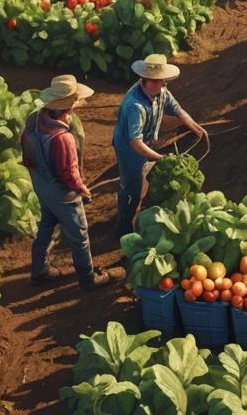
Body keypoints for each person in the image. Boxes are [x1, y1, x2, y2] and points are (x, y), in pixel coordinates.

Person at [21, 74, 121, 289]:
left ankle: (39, 270)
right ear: (69, 105)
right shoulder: (62, 138)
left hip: (41, 184)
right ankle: (88, 278)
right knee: (79, 235)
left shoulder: (35, 118)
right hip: (62, 193)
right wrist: (82, 189)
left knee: (47, 223)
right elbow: (68, 174)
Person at [112, 53, 208, 238]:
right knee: (131, 187)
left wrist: (196, 127)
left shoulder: (162, 92)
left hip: (145, 142)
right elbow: (135, 142)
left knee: (143, 183)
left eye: (163, 80)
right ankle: (122, 227)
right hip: (128, 148)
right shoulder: (134, 105)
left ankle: (135, 211)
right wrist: (161, 158)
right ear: (145, 80)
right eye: (157, 81)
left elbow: (179, 111)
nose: (162, 84)